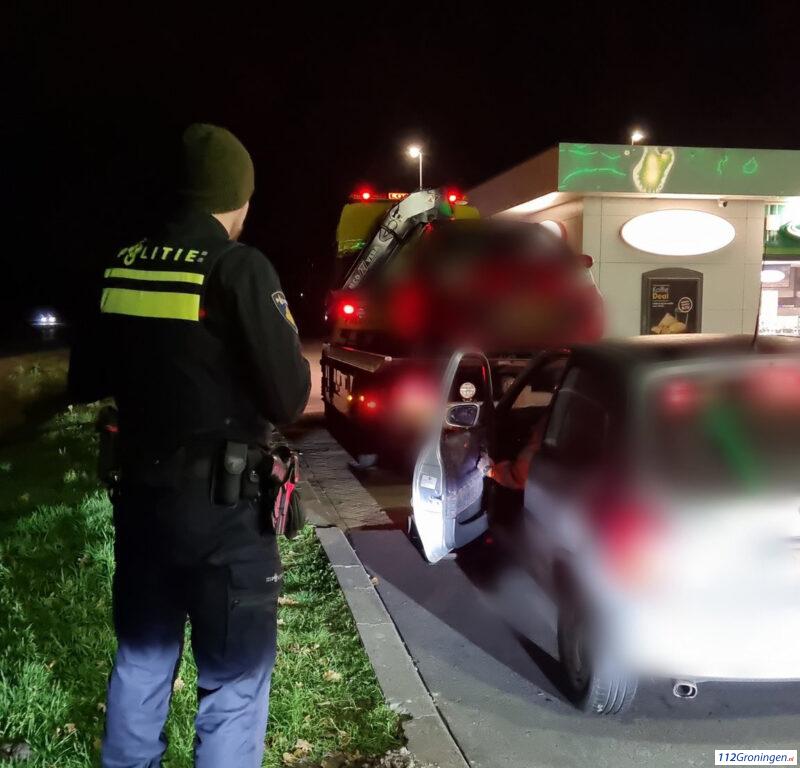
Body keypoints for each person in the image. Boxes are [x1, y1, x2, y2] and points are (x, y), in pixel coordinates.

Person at [68, 123, 311, 767]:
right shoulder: (238, 267)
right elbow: (288, 397)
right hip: (225, 514)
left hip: (142, 502)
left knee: (142, 661)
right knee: (232, 682)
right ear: (237, 196)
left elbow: (85, 378)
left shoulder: (120, 264)